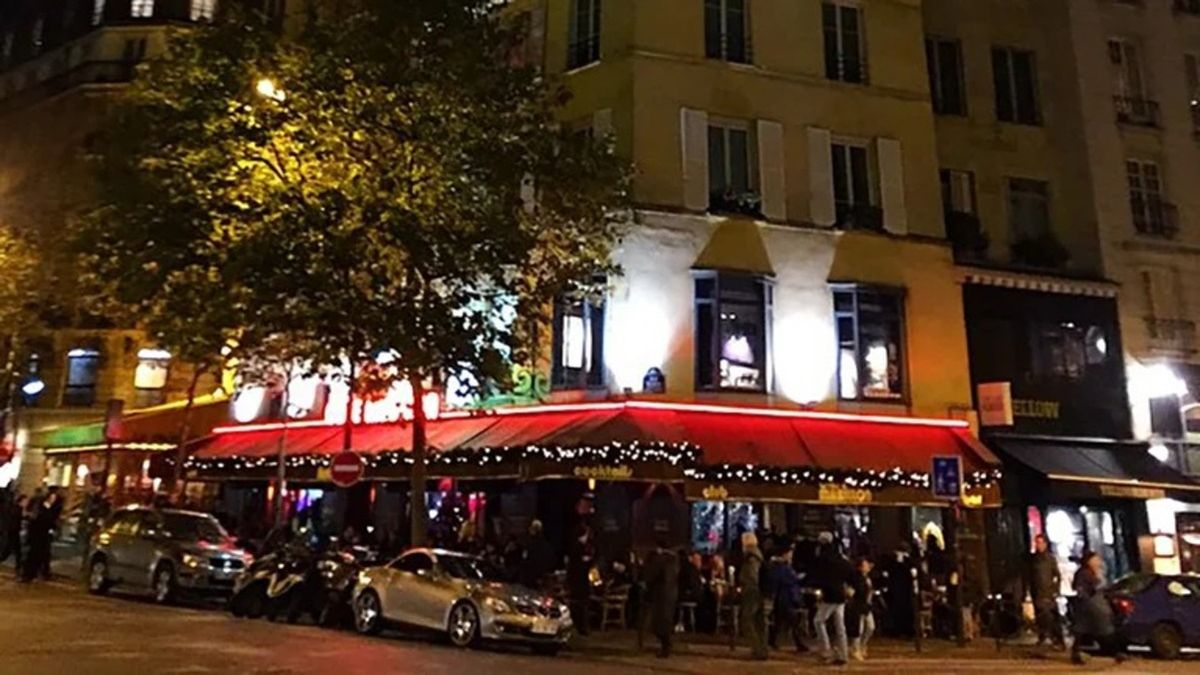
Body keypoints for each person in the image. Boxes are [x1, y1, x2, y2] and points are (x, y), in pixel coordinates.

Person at [1070, 551, 1125, 665]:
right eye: (1095, 559)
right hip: (1090, 606)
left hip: (1096, 605)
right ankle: (1114, 652)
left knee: (1088, 629)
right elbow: (1080, 588)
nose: (1098, 561)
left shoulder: (1097, 572)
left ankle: (1113, 652)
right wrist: (1087, 597)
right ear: (1089, 561)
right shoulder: (1084, 573)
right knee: (1095, 628)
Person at [812, 531, 853, 665]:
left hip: (829, 594)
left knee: (819, 621)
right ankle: (843, 653)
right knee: (840, 625)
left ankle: (826, 651)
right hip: (841, 593)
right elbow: (850, 572)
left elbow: (818, 576)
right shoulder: (841, 559)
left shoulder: (823, 559)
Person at [767, 542, 808, 653]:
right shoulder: (780, 567)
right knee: (792, 621)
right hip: (785, 597)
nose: (791, 555)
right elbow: (784, 579)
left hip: (785, 596)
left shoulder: (782, 566)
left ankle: (772, 640)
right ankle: (799, 643)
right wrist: (796, 578)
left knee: (780, 621)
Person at [642, 538, 680, 658]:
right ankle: (666, 645)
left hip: (661, 593)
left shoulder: (660, 559)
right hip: (671, 592)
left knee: (660, 621)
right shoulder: (674, 559)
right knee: (666, 620)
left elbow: (650, 574)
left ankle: (666, 646)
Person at [1025, 534, 1064, 648]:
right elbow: (1029, 576)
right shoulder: (1032, 559)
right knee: (1040, 616)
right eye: (1037, 543)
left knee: (1051, 616)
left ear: (1045, 544)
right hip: (1037, 592)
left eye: (1041, 543)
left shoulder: (1050, 559)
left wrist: (1055, 589)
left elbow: (1057, 575)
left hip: (1048, 592)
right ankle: (1042, 636)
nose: (1039, 545)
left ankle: (1057, 638)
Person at [737, 532, 768, 660]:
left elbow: (751, 575)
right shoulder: (758, 555)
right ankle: (762, 649)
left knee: (747, 620)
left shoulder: (751, 558)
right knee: (759, 621)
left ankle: (757, 649)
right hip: (759, 590)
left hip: (751, 591)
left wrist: (744, 583)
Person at [566, 523, 595, 636]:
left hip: (575, 580)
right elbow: (581, 565)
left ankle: (579, 625)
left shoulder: (574, 546)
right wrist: (589, 561)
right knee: (581, 604)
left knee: (578, 604)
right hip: (580, 581)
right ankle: (581, 627)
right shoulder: (579, 548)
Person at [847, 557, 875, 661]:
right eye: (865, 565)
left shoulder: (867, 577)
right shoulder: (856, 578)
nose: (868, 567)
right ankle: (855, 649)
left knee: (871, 627)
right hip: (858, 605)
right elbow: (853, 591)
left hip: (867, 605)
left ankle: (863, 645)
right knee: (859, 628)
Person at [520, 519, 556, 590]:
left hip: (531, 580)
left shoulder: (529, 545)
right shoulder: (547, 545)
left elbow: (525, 561)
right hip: (542, 579)